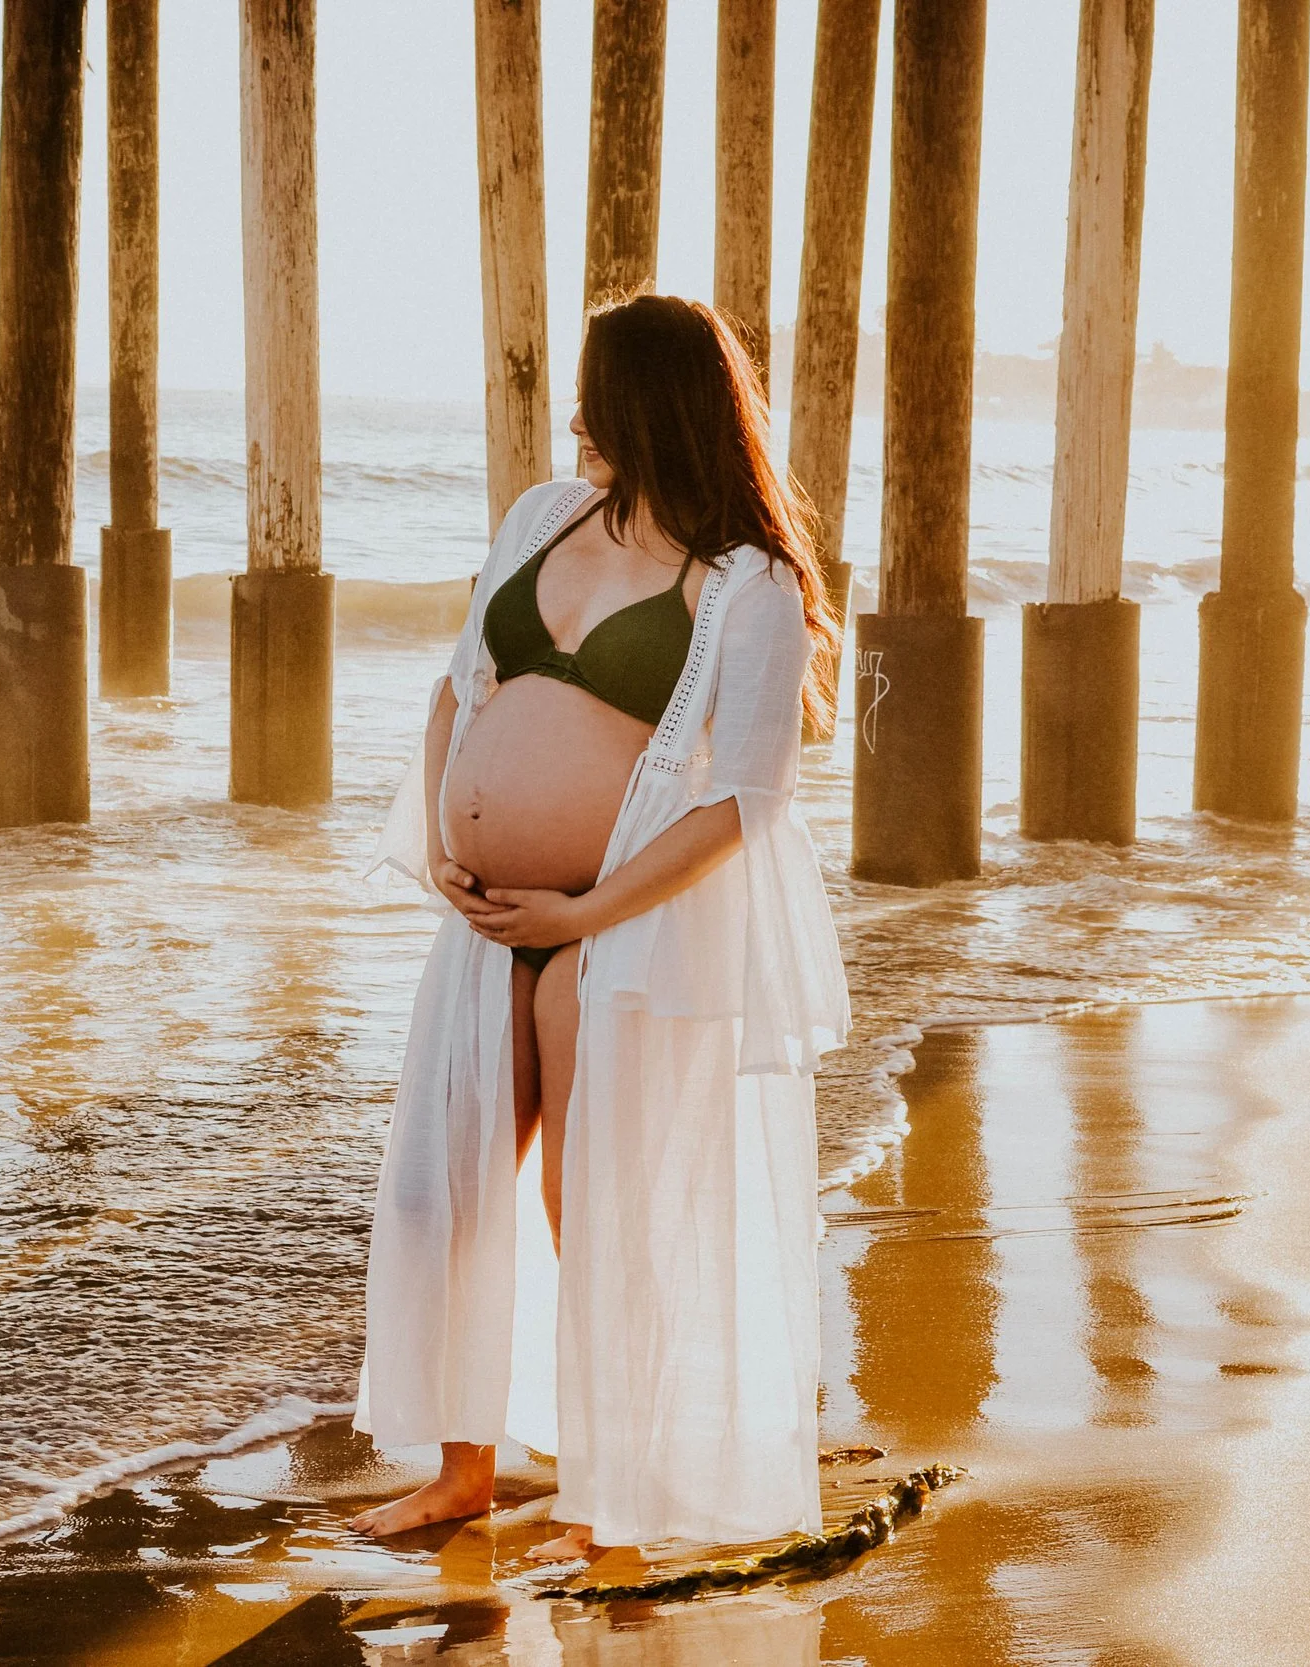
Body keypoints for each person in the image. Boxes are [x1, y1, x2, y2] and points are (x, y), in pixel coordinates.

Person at [351, 294, 850, 1563]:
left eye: (595, 393)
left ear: (653, 405)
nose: (573, 416)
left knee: (595, 1210)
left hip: (621, 926)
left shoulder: (749, 586)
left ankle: (611, 1496)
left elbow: (746, 798)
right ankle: (463, 1468)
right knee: (440, 1189)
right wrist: (450, 844)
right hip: (487, 913)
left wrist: (582, 909)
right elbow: (459, 683)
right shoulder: (539, 515)